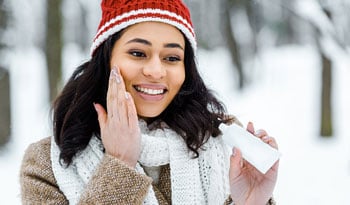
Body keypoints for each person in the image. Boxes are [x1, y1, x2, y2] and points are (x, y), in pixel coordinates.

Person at [20, 0, 279, 204]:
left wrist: (250, 203)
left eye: (172, 58)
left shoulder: (219, 146)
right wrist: (119, 165)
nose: (156, 71)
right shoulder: (47, 165)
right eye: (137, 53)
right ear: (105, 60)